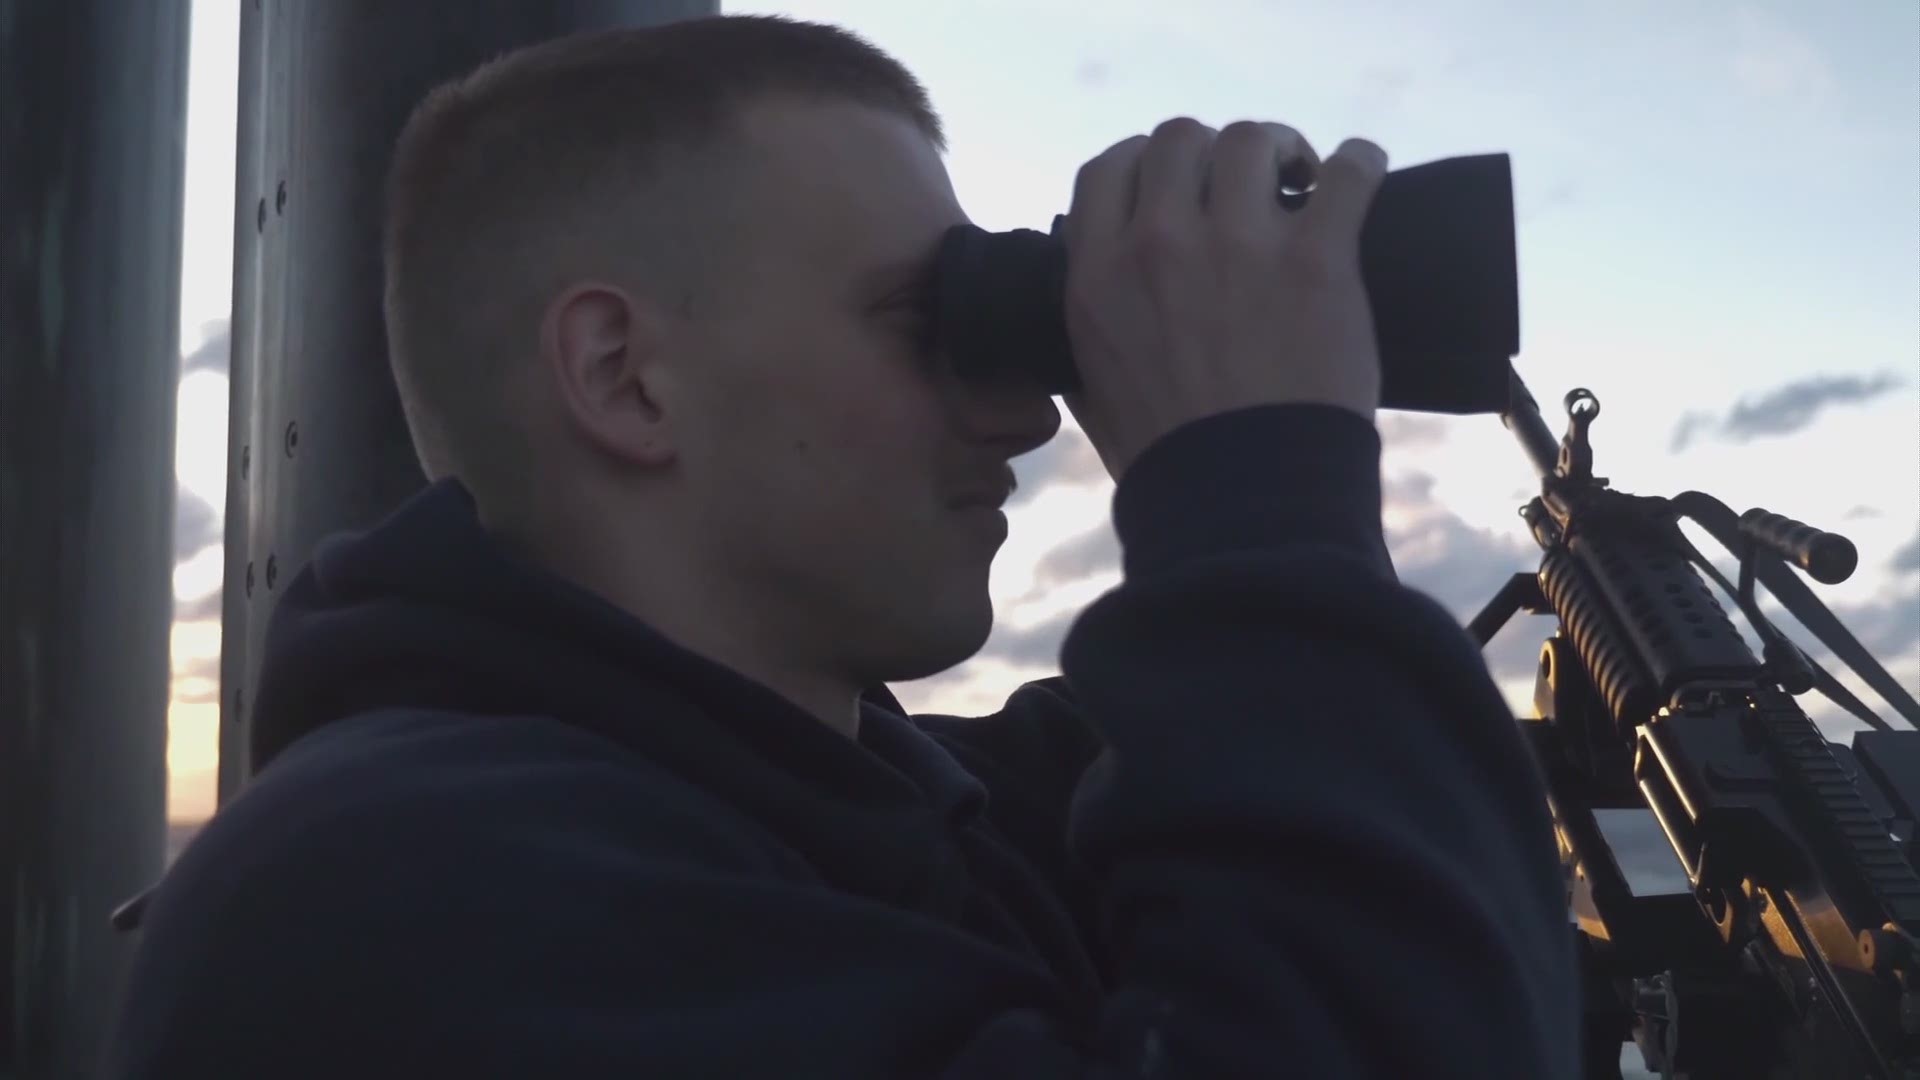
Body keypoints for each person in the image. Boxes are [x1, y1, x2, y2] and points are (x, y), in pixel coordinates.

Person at [104, 14, 1577, 1078]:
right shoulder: (406, 902)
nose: (1016, 417)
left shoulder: (883, 809)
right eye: (920, 320)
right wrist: (1251, 492)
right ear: (625, 378)